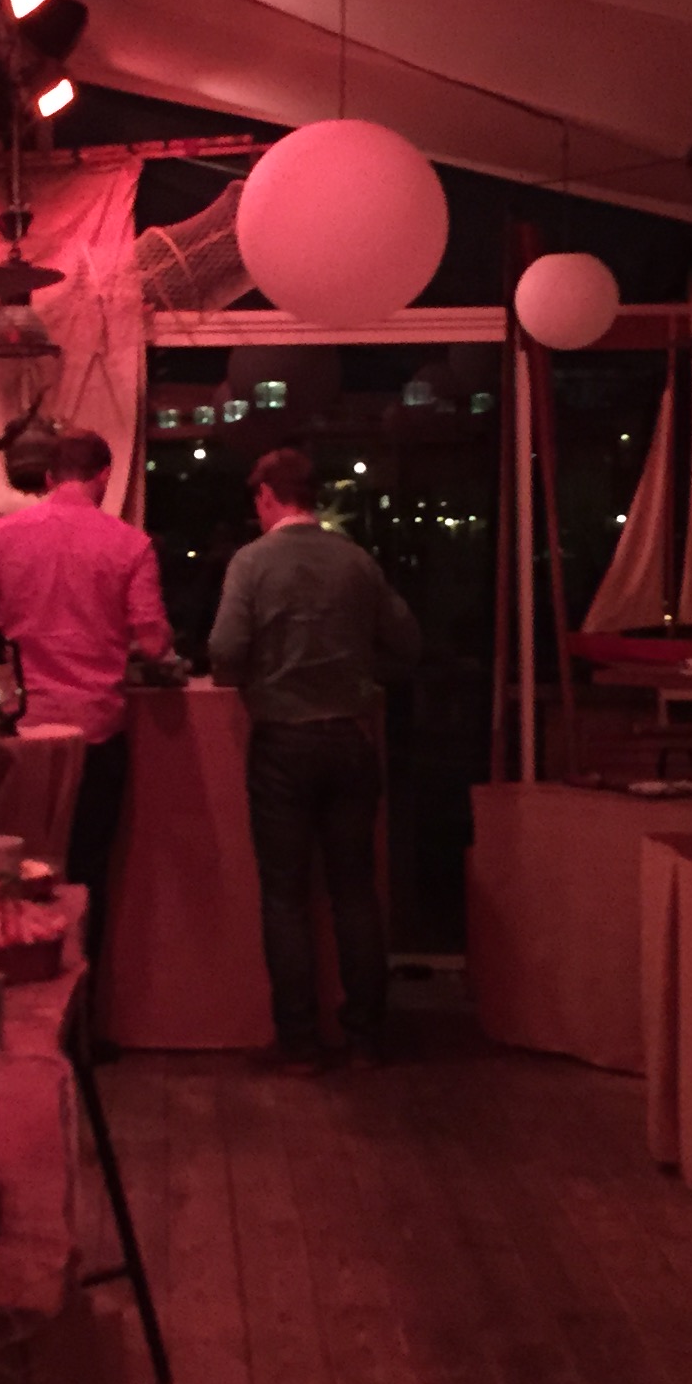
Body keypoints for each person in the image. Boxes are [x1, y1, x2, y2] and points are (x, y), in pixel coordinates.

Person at [209, 444, 421, 1068]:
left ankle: (299, 1041)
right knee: (355, 891)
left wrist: (254, 678)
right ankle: (365, 1036)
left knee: (285, 896)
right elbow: (407, 642)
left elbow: (225, 652)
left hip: (282, 741)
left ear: (268, 496)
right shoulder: (356, 561)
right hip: (351, 737)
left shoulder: (251, 562)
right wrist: (362, 675)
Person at [0, 425, 169, 953]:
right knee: (87, 874)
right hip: (95, 733)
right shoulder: (131, 544)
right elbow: (154, 643)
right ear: (104, 475)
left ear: (47, 478)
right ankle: (79, 986)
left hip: (21, 729)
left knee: (11, 875)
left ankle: (18, 978)